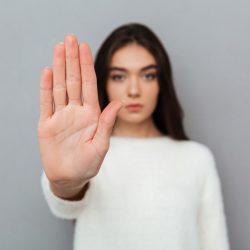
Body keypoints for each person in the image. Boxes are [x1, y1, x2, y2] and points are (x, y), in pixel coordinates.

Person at [38, 23, 230, 250]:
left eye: (148, 75)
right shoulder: (85, 152)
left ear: (162, 82)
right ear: (105, 83)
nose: (134, 90)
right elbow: (64, 205)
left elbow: (215, 244)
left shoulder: (196, 159)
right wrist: (66, 184)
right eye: (119, 77)